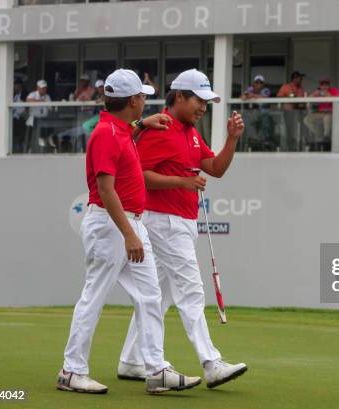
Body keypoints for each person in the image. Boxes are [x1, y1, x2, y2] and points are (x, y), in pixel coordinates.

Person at [57, 68, 202, 395]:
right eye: (142, 98)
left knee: (150, 295)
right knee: (93, 297)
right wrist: (130, 234)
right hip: (113, 225)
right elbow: (106, 190)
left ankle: (156, 370)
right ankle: (71, 370)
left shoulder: (119, 128)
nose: (144, 103)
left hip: (127, 224)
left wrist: (141, 125)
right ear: (134, 100)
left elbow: (123, 139)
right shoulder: (107, 134)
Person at [117, 68, 248, 389]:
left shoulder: (190, 132)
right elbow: (140, 175)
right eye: (199, 100)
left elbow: (215, 169)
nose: (204, 107)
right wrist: (183, 181)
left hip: (181, 220)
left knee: (158, 296)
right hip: (160, 219)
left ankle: (131, 361)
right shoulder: (160, 128)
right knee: (190, 290)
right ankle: (211, 362)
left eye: (207, 102)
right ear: (179, 97)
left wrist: (231, 139)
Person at [303, 77, 339, 151]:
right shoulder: (318, 91)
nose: (324, 86)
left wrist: (328, 94)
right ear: (320, 86)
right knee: (307, 119)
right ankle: (320, 136)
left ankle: (326, 137)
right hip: (320, 113)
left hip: (332, 113)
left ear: (329, 85)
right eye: (322, 85)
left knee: (327, 118)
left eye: (326, 84)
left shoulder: (334, 90)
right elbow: (307, 99)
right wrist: (314, 94)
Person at [241, 75, 274, 150]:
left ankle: (266, 140)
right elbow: (242, 97)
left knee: (265, 119)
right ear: (254, 83)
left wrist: (252, 95)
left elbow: (265, 97)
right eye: (257, 82)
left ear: (263, 84)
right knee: (245, 119)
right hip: (254, 113)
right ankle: (253, 138)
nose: (258, 84)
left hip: (264, 112)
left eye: (260, 82)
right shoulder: (250, 89)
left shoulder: (266, 90)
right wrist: (249, 95)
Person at [277, 70, 307, 151]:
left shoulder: (301, 89)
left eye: (301, 78)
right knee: (289, 130)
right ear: (295, 78)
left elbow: (304, 100)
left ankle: (299, 146)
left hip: (300, 113)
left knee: (299, 130)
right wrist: (289, 98)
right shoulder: (286, 87)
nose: (301, 80)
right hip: (289, 112)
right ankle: (290, 147)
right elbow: (279, 98)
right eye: (299, 78)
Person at [25, 80, 53, 153]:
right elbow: (28, 100)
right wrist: (40, 101)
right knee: (41, 124)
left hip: (45, 119)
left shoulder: (47, 96)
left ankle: (47, 142)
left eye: (45, 88)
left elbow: (51, 108)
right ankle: (40, 142)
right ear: (38, 88)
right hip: (34, 119)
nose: (44, 90)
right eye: (42, 88)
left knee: (51, 124)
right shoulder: (33, 94)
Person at [12, 79, 27, 153]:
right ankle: (15, 144)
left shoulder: (25, 93)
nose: (14, 87)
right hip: (14, 116)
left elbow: (27, 105)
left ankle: (20, 143)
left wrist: (26, 112)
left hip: (23, 116)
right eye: (14, 85)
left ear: (20, 86)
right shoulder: (14, 94)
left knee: (21, 125)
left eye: (16, 85)